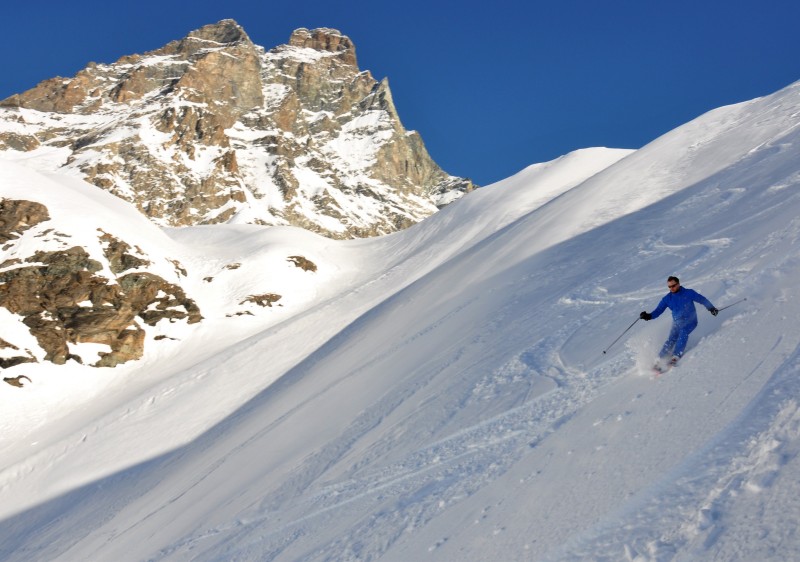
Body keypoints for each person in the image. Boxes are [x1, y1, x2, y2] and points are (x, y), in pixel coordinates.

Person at [640, 276, 718, 365]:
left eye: (673, 286)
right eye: (669, 287)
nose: (671, 288)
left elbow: (702, 299)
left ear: (678, 284)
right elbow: (658, 310)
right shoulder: (667, 299)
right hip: (677, 322)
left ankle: (676, 355)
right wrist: (648, 316)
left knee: (683, 332)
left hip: (691, 321)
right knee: (671, 338)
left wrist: (711, 308)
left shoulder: (688, 293)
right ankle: (660, 358)